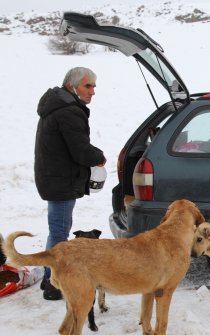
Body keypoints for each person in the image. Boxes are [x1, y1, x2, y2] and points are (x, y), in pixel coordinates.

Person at [34, 67, 106, 300]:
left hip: (55, 178)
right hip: (60, 181)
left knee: (57, 229)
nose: (93, 91)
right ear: (71, 87)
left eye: (94, 86)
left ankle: (49, 276)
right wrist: (98, 157)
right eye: (88, 86)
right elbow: (80, 150)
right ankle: (53, 284)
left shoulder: (59, 106)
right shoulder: (68, 111)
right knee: (59, 232)